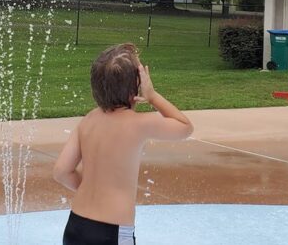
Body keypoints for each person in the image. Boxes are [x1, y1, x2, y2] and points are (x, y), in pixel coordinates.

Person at [53, 43, 194, 245]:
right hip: (112, 232)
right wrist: (152, 96)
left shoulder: (88, 120)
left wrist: (90, 191)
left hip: (76, 227)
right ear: (136, 86)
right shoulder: (139, 124)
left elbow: (61, 171)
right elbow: (185, 127)